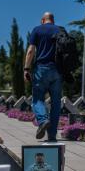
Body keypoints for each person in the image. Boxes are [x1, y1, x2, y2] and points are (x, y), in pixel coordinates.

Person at [24, 12, 61, 142]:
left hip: (42, 69)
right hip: (57, 71)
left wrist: (26, 69)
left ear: (42, 20)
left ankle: (43, 120)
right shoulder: (60, 30)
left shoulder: (37, 30)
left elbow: (30, 51)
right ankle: (52, 136)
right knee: (56, 104)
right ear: (53, 20)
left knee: (38, 99)